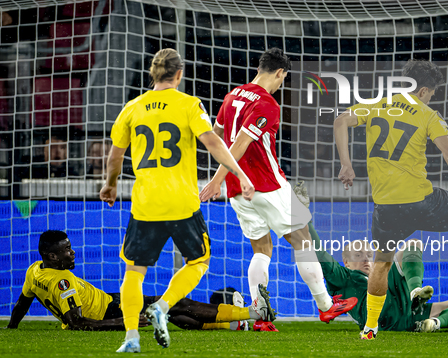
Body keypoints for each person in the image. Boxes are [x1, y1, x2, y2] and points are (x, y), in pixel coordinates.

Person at [100, 48, 257, 353]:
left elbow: (115, 156)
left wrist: (110, 185)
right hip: (183, 203)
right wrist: (240, 173)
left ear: (152, 74)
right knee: (198, 261)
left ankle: (131, 336)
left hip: (145, 204)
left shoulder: (132, 107)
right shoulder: (189, 104)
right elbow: (212, 140)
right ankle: (163, 305)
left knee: (134, 272)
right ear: (179, 74)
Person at [334, 59, 448, 340]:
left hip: (386, 208)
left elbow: (339, 121)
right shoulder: (428, 115)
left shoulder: (376, 105)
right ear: (423, 90)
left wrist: (346, 165)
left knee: (382, 263)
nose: (432, 97)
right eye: (432, 93)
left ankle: (370, 327)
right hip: (422, 202)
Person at [199, 47, 358, 331]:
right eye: (284, 77)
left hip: (238, 189)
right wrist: (216, 179)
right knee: (303, 239)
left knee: (261, 248)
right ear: (280, 73)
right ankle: (325, 305)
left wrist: (225, 179)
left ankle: (259, 315)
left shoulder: (233, 95)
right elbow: (240, 145)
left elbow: (218, 135)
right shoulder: (268, 105)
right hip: (266, 182)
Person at [293, 183, 448, 333]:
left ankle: (429, 317)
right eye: (358, 255)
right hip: (377, 317)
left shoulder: (378, 273)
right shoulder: (344, 278)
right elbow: (320, 252)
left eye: (369, 255)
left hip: (408, 315)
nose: (366, 259)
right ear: (346, 262)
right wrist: (305, 216)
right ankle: (416, 298)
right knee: (395, 261)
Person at [7, 230, 270, 332]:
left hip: (108, 300)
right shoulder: (62, 282)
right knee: (173, 305)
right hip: (110, 310)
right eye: (66, 249)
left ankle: (232, 326)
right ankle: (249, 313)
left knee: (168, 314)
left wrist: (12, 328)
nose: (72, 252)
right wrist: (120, 322)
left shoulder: (34, 271)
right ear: (51, 255)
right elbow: (76, 323)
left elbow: (21, 304)